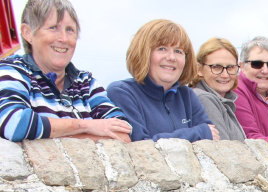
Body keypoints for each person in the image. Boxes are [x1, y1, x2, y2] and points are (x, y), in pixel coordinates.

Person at [0, 0, 130, 142]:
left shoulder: (86, 82)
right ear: (28, 33)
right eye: (53, 27)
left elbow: (122, 134)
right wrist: (87, 125)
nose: (63, 39)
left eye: (69, 30)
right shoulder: (11, 70)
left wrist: (45, 134)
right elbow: (14, 124)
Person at [107, 19, 217, 142]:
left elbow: (212, 138)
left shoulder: (187, 96)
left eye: (178, 51)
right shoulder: (122, 93)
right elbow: (139, 147)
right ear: (143, 53)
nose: (171, 57)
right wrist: (199, 133)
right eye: (162, 49)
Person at [190, 37, 245, 141]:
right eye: (216, 67)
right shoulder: (204, 99)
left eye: (230, 67)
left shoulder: (221, 100)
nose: (225, 75)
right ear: (199, 69)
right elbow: (224, 149)